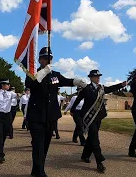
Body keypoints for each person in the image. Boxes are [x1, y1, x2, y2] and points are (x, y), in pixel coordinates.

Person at [25, 46, 87, 177]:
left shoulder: (55, 75)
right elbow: (30, 83)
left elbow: (66, 81)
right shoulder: (33, 74)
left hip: (50, 116)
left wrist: (76, 81)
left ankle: (36, 170)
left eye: (50, 58)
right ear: (40, 60)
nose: (47, 61)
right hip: (36, 116)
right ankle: (40, 171)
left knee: (46, 144)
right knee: (38, 145)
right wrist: (43, 72)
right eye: (45, 58)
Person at [70, 69, 126, 173]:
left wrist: (121, 85)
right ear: (91, 78)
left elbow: (111, 88)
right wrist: (72, 110)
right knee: (95, 138)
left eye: (99, 76)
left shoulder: (101, 88)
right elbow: (78, 99)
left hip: (98, 117)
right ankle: (99, 162)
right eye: (96, 76)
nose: (98, 78)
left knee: (91, 137)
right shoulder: (86, 88)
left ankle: (85, 155)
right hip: (89, 118)